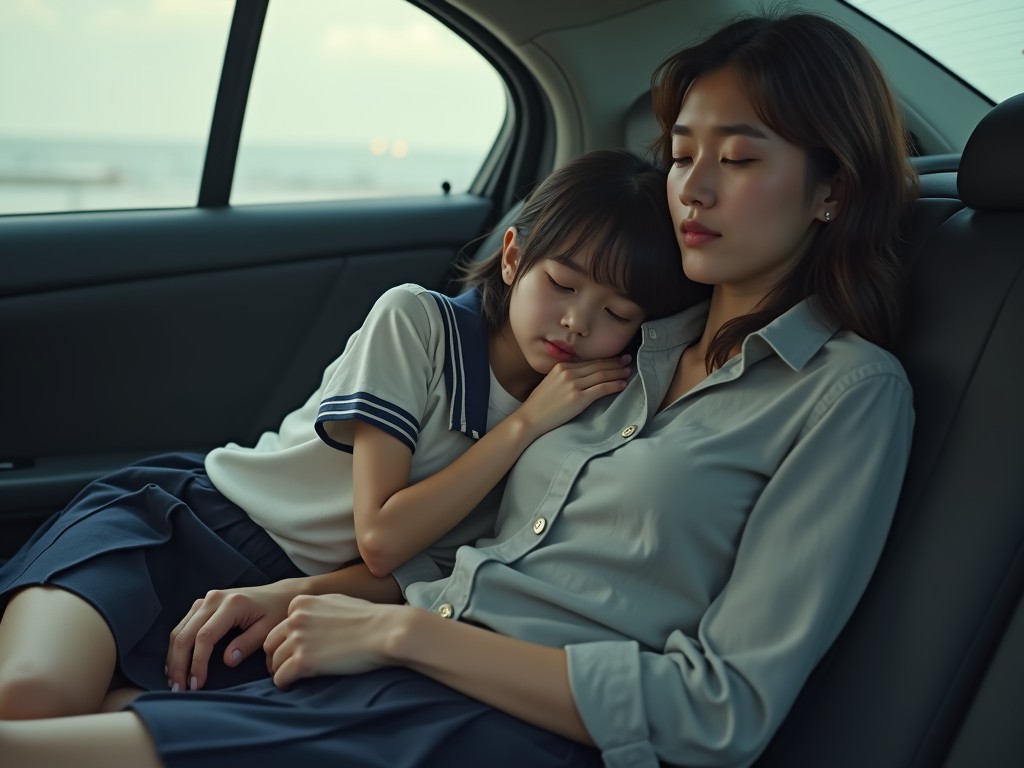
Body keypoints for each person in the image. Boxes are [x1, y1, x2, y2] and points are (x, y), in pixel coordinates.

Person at [1, 11, 919, 768]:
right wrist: (317, 597)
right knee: (40, 724)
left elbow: (722, 710)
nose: (693, 189)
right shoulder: (626, 357)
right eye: (682, 154)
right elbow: (488, 558)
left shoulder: (847, 396)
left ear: (832, 189)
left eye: (741, 159)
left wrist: (398, 636)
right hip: (389, 657)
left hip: (476, 715)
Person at [0, 148, 697, 716]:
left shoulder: (588, 425)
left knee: (116, 731)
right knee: (33, 701)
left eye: (617, 311)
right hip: (184, 525)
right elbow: (383, 536)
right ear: (513, 257)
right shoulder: (419, 324)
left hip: (309, 602)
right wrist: (524, 423)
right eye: (564, 283)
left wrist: (298, 602)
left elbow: (422, 579)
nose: (578, 322)